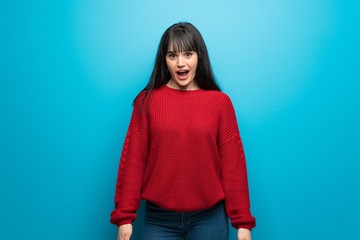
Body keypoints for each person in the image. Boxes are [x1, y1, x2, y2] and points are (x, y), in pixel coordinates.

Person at [110, 22, 256, 240]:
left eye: (188, 54)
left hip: (210, 218)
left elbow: (233, 165)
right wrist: (124, 217)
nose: (180, 63)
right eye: (172, 56)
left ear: (199, 56)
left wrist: (242, 222)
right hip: (158, 219)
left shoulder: (220, 103)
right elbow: (133, 161)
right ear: (164, 60)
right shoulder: (147, 102)